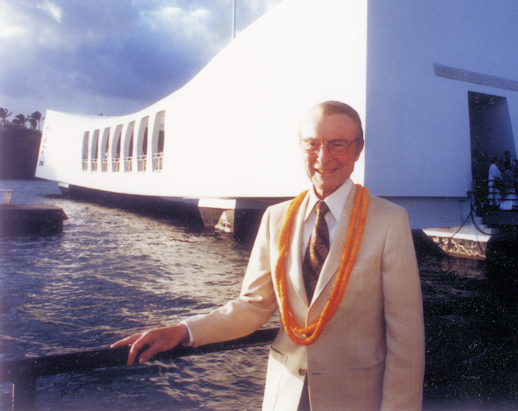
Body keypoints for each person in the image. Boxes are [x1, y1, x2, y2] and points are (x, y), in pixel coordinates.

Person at [112, 101, 425, 411]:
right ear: (300, 147)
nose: (323, 157)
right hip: (285, 396)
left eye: (337, 145)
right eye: (312, 144)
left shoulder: (388, 221)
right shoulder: (277, 219)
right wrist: (181, 331)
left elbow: (407, 342)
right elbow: (251, 307)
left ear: (357, 150)